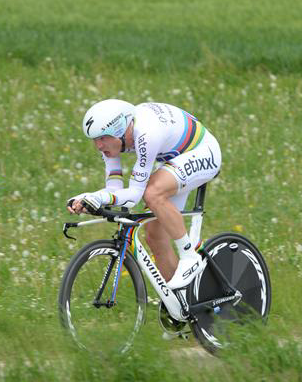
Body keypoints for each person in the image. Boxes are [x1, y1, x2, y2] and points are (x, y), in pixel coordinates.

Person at [67, 99, 221, 289]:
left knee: (153, 193)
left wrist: (98, 199)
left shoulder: (146, 134)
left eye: (102, 138)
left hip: (202, 151)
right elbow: (114, 189)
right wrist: (87, 197)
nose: (98, 145)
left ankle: (189, 255)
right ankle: (182, 301)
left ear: (120, 131)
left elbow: (134, 195)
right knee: (155, 234)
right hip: (175, 159)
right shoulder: (113, 142)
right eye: (95, 139)